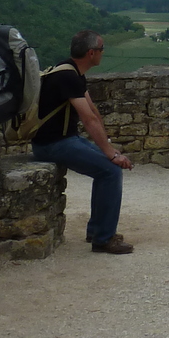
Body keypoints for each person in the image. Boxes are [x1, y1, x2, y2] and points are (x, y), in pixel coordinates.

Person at [29, 30, 135, 253]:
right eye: (101, 50)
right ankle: (103, 238)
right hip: (53, 144)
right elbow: (88, 118)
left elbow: (93, 111)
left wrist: (107, 147)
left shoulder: (71, 70)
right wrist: (111, 154)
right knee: (110, 171)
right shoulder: (68, 76)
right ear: (91, 53)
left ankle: (98, 231)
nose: (103, 53)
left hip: (62, 139)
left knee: (107, 168)